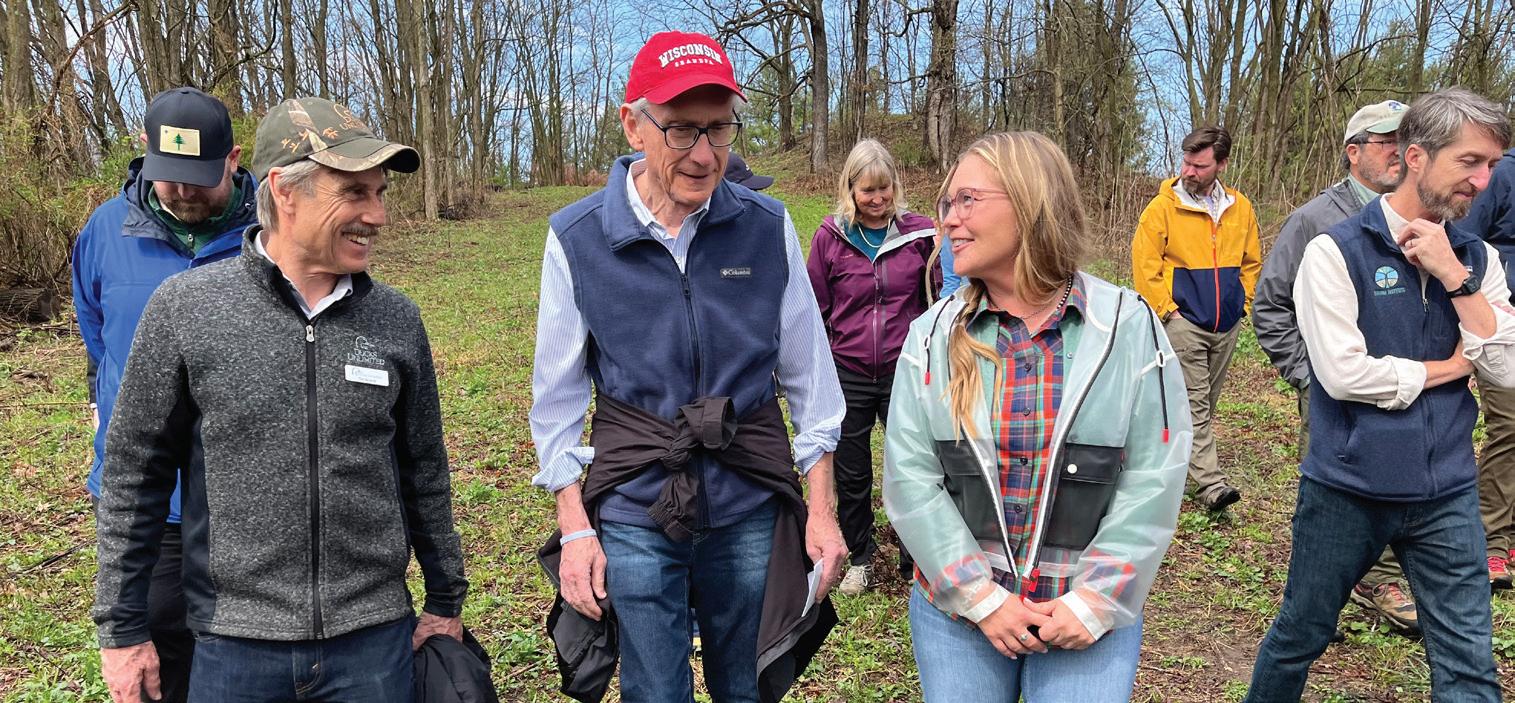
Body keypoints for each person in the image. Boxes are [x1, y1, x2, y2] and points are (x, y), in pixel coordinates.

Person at [92, 97, 469, 703]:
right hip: (234, 645)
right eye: (355, 193)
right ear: (285, 191)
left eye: (380, 193)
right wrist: (122, 630)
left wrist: (446, 597)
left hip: (372, 644)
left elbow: (423, 468)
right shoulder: (186, 309)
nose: (377, 215)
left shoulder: (396, 319)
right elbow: (135, 475)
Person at [529, 31, 848, 702]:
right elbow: (555, 401)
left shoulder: (766, 227)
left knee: (746, 683)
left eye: (719, 129)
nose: (704, 155)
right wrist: (575, 525)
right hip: (636, 503)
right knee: (654, 689)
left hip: (746, 499)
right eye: (681, 130)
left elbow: (812, 383)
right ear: (632, 125)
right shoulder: (577, 238)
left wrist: (821, 510)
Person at [883, 131, 1191, 701]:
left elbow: (1154, 475)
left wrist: (1094, 602)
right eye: (948, 202)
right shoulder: (930, 337)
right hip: (960, 618)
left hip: (1082, 618)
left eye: (967, 199)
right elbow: (911, 479)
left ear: (1030, 204)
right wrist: (981, 599)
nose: (948, 218)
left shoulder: (1126, 327)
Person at [1245, 87, 1514, 702]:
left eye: (1492, 165)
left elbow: (1505, 370)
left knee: (1470, 662)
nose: (1483, 180)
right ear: (1416, 157)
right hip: (1348, 487)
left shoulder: (1478, 259)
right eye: (1469, 162)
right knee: (1301, 634)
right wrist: (1452, 367)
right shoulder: (1334, 250)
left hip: (1448, 490)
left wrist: (1454, 276)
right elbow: (1343, 375)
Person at [71, 86, 258, 703]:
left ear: (233, 160)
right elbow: (100, 341)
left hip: (250, 498)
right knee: (158, 657)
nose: (181, 192)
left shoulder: (278, 231)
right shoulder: (104, 231)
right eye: (168, 175)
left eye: (199, 179)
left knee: (248, 659)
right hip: (149, 503)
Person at [1252, 100, 1420, 634]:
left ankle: (1383, 579)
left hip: (1407, 385)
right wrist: (1309, 376)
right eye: (1386, 142)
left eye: (1406, 141)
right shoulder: (1316, 220)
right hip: (1335, 391)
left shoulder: (1422, 217)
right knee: (1335, 496)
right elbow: (1270, 306)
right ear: (1353, 152)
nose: (1399, 153)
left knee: (1400, 479)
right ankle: (1321, 599)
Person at [807, 138, 936, 594]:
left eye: (885, 188)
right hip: (849, 370)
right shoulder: (831, 237)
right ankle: (860, 558)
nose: (878, 199)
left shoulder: (921, 235)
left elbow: (939, 300)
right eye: (868, 191)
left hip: (905, 369)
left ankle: (914, 557)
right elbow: (815, 307)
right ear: (851, 189)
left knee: (910, 465)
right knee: (852, 470)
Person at [1131, 126, 1262, 512]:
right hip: (1183, 322)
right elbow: (1145, 266)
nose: (1189, 171)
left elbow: (1252, 262)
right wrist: (1168, 312)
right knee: (1194, 402)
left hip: (1226, 323)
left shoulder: (1240, 208)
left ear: (1221, 165)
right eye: (1186, 162)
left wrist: (1243, 304)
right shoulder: (1161, 209)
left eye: (1200, 166)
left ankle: (1166, 462)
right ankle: (1211, 485)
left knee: (1201, 402)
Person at [1462, 141, 1515, 589]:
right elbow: (1464, 245)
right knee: (1510, 426)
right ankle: (1491, 539)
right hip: (1502, 326)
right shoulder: (1499, 175)